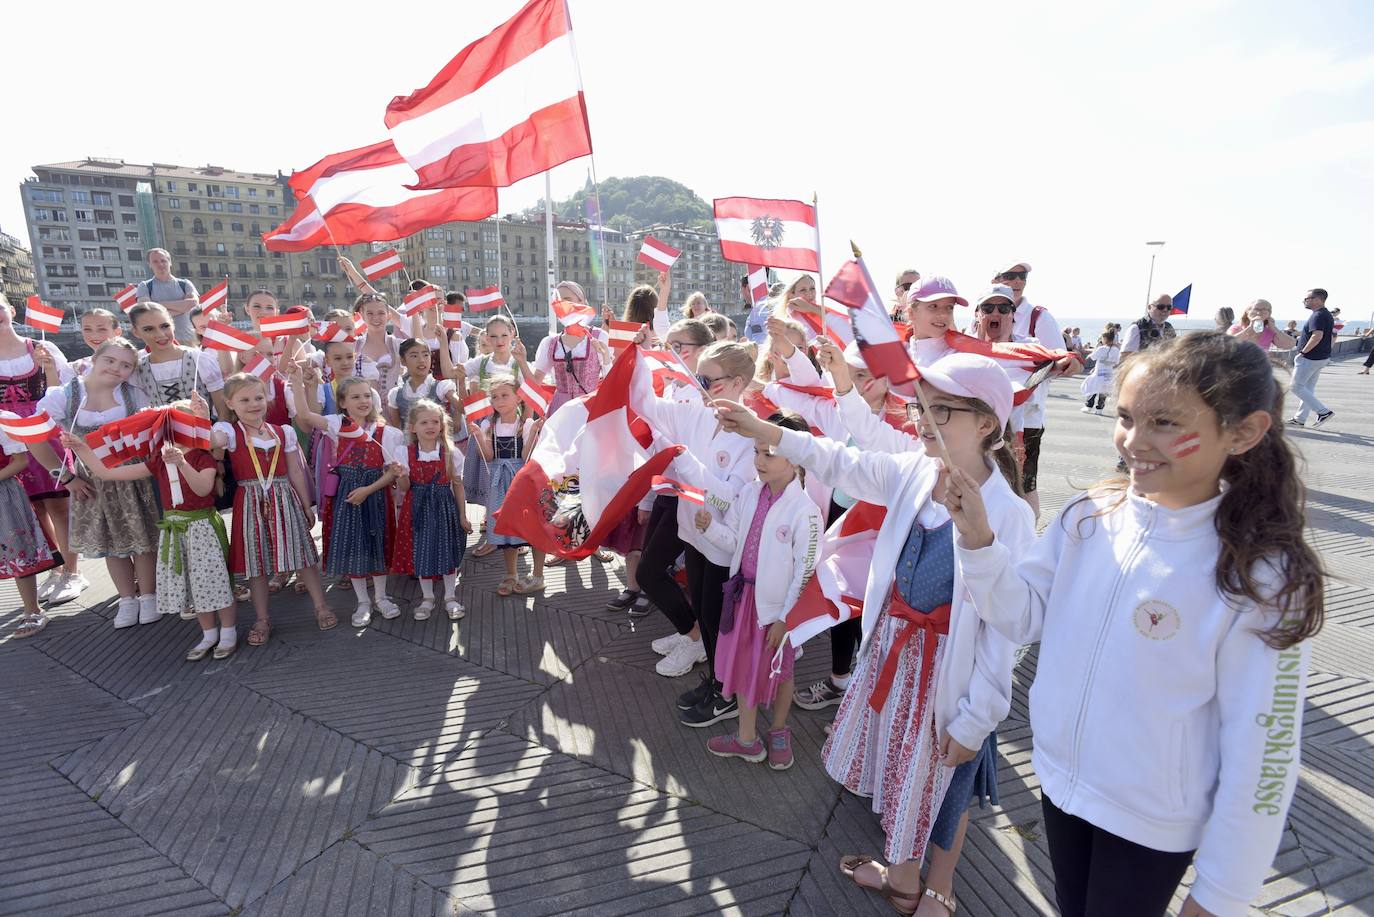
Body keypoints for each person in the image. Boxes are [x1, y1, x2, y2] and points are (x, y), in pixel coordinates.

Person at [946, 332, 1322, 917]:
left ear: (1243, 432)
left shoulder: (1261, 576)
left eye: (1166, 423)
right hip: (1061, 783)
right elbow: (1020, 615)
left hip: (1152, 819)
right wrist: (979, 543)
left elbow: (1264, 754)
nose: (1134, 442)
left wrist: (1220, 894)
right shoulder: (1089, 516)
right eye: (1125, 418)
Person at [716, 352, 1032, 916]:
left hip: (946, 671)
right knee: (902, 771)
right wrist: (765, 430)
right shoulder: (914, 469)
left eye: (943, 411)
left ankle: (939, 886)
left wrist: (980, 715)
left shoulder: (1008, 515)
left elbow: (1004, 635)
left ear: (987, 424)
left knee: (948, 778)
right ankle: (903, 875)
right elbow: (838, 461)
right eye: (920, 408)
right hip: (894, 651)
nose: (921, 420)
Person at [630, 342, 757, 722]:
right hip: (694, 533)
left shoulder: (751, 435)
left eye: (705, 379)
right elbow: (645, 405)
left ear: (737, 383)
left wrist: (686, 464)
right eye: (694, 376)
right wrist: (634, 356)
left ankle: (727, 693)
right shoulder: (698, 415)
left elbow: (730, 500)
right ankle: (717, 680)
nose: (696, 385)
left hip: (723, 544)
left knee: (718, 618)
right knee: (702, 610)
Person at [64, 394, 238, 661]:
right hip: (174, 529)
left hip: (201, 526)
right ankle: (208, 633)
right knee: (195, 584)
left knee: (214, 581)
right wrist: (80, 448)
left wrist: (181, 462)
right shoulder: (158, 460)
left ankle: (228, 631)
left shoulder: (202, 458)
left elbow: (203, 488)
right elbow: (106, 472)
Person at [696, 412, 822, 771]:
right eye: (756, 451)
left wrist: (786, 618)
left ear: (796, 457)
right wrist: (708, 530)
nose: (759, 460)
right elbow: (734, 538)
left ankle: (779, 730)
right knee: (742, 666)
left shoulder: (805, 511)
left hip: (777, 609)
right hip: (742, 599)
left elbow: (805, 569)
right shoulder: (750, 493)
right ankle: (747, 738)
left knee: (780, 671)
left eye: (769, 453)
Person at [38, 339, 160, 629]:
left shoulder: (135, 394)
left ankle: (149, 597)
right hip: (93, 480)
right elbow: (35, 439)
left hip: (134, 476)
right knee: (113, 543)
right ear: (95, 358)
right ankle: (127, 599)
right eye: (110, 360)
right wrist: (66, 477)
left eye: (125, 365)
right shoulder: (65, 395)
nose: (117, 368)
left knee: (144, 541)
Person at [211, 373, 334, 645]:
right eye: (244, 399)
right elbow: (213, 442)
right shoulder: (230, 432)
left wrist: (305, 504)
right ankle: (262, 617)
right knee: (256, 563)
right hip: (250, 499)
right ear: (230, 403)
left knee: (301, 552)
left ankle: (320, 605)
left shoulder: (282, 431)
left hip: (282, 495)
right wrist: (199, 416)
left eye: (258, 397)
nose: (253, 404)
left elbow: (295, 471)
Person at [288, 370, 404, 626]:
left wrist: (368, 490)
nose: (363, 401)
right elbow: (305, 416)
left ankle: (382, 597)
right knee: (354, 545)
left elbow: (391, 473)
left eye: (366, 395)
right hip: (346, 495)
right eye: (355, 397)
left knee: (379, 543)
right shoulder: (336, 424)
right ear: (343, 402)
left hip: (374, 493)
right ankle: (362, 601)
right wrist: (298, 385)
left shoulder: (387, 433)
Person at [0, 294, 83, 606]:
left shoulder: (41, 347)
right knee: (32, 507)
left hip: (42, 429)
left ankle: (73, 571)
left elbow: (61, 394)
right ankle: (56, 565)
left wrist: (48, 368)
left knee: (59, 504)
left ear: (10, 309)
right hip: (7, 436)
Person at [993, 261, 1067, 519]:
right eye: (1008, 275)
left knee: (1024, 484)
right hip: (988, 418)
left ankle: (1028, 545)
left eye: (1021, 276)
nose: (1016, 281)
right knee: (992, 483)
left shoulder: (1039, 317)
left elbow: (1060, 361)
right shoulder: (982, 314)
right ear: (995, 280)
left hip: (1028, 419)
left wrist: (1024, 386)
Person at [466, 374, 546, 595]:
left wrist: (534, 433)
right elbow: (489, 457)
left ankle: (538, 575)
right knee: (505, 526)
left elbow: (525, 455)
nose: (499, 401)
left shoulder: (526, 424)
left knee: (535, 525)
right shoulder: (489, 425)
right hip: (499, 481)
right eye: (495, 397)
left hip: (523, 479)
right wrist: (479, 438)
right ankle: (510, 573)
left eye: (504, 395)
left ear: (518, 398)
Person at [393, 398, 470, 621]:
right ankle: (427, 597)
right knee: (422, 552)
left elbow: (457, 485)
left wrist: (463, 515)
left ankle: (450, 596)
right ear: (413, 427)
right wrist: (402, 475)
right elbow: (405, 488)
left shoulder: (451, 452)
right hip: (417, 508)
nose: (430, 426)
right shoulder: (403, 452)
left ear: (442, 425)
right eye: (424, 422)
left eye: (435, 421)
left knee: (447, 550)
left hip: (445, 508)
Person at [0, 425, 63, 637]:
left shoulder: (2, 422)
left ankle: (33, 610)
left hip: (4, 493)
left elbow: (21, 460)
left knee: (18, 551)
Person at [127, 302, 229, 417]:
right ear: (136, 332)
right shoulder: (138, 370)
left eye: (165, 326)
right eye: (149, 329)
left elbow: (223, 414)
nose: (160, 334)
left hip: (205, 432)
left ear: (173, 324)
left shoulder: (199, 359)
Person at [1288, 288, 1335, 428]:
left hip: (1310, 358)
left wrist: (1302, 352)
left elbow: (1317, 336)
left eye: (1307, 298)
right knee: (1307, 388)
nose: (1304, 301)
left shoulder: (1318, 315)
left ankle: (1323, 412)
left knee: (1295, 387)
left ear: (1317, 300)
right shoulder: (1325, 314)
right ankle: (1300, 418)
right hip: (1320, 358)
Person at [386, 338, 457, 430]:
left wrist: (462, 382)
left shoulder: (441, 387)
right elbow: (397, 427)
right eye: (414, 356)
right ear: (403, 360)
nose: (421, 360)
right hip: (409, 443)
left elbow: (462, 407)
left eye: (426, 355)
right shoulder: (395, 394)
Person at [135, 249, 200, 342]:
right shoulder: (144, 286)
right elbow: (145, 311)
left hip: (189, 340)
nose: (160, 264)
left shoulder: (185, 284)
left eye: (163, 260)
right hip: (160, 342)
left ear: (170, 262)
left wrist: (157, 305)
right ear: (149, 264)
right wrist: (182, 308)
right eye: (155, 261)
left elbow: (193, 304)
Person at [1229, 299, 1295, 363]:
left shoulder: (1269, 331)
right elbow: (1227, 344)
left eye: (1264, 310)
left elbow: (1290, 344)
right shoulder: (1237, 328)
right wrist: (1249, 329)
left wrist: (1274, 329)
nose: (1259, 313)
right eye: (1256, 309)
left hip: (1259, 369)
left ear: (1269, 314)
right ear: (1248, 312)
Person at [1080, 330, 1120, 414]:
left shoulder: (1101, 349)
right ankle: (1099, 409)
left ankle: (1089, 406)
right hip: (1109, 373)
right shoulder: (1116, 350)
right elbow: (1116, 362)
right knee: (1104, 391)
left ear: (1105, 339)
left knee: (1093, 388)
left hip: (1099, 372)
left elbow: (1093, 357)